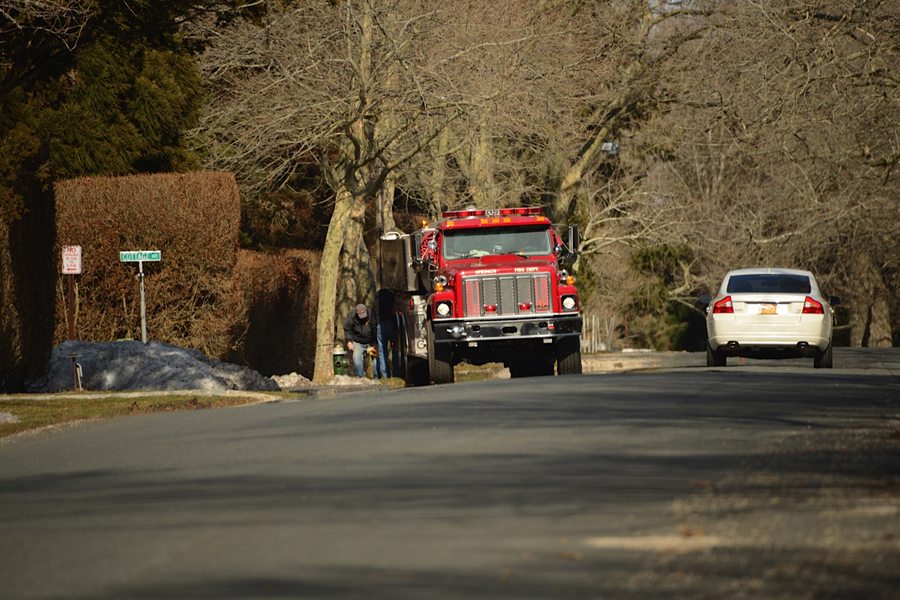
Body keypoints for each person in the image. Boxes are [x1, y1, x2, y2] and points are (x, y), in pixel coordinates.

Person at [343, 303, 374, 378]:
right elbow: (347, 329)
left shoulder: (371, 315)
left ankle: (377, 377)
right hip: (358, 341)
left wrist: (375, 343)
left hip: (371, 341)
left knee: (376, 361)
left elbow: (375, 329)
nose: (363, 318)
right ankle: (361, 377)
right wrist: (349, 341)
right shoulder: (351, 316)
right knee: (356, 360)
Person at [374, 289, 395, 379]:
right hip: (390, 324)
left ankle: (385, 374)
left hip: (380, 326)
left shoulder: (375, 303)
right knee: (395, 349)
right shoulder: (391, 299)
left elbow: (372, 320)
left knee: (382, 351)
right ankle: (396, 372)